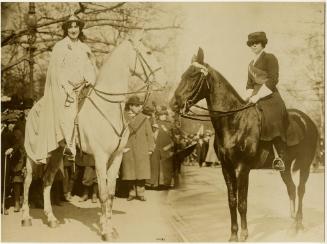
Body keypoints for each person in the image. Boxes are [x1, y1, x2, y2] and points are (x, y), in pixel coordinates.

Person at [28, 14, 97, 163]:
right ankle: (67, 144)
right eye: (70, 26)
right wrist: (68, 88)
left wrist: (90, 80)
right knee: (68, 110)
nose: (73, 29)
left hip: (83, 86)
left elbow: (90, 67)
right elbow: (57, 71)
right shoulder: (60, 46)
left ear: (80, 28)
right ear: (66, 29)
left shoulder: (85, 47)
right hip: (64, 88)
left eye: (76, 26)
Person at [245, 31, 288, 171]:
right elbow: (249, 84)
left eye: (256, 43)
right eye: (251, 44)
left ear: (263, 44)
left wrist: (258, 96)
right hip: (255, 96)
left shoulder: (270, 58)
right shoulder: (250, 64)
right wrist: (248, 97)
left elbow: (273, 80)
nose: (253, 46)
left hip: (270, 96)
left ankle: (279, 156)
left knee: (270, 119)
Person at [121, 96, 155, 201]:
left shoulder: (144, 118)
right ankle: (131, 192)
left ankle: (140, 193)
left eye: (139, 105)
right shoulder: (124, 117)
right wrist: (122, 147)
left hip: (142, 147)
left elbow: (149, 134)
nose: (139, 107)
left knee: (141, 171)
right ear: (130, 106)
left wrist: (150, 147)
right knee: (130, 171)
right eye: (136, 105)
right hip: (129, 147)